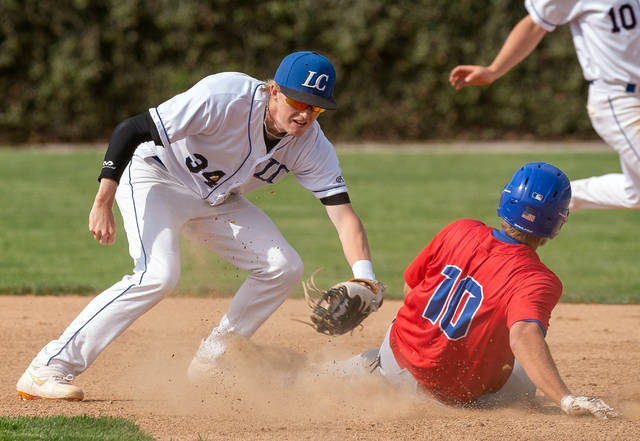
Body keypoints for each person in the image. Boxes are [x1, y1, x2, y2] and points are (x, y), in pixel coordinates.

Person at [16, 51, 382, 401]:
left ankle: (214, 360)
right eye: (298, 102)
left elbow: (343, 215)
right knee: (157, 275)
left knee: (282, 267)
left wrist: (364, 276)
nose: (305, 115)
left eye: (316, 108)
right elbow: (131, 129)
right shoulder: (224, 96)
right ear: (275, 91)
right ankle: (48, 368)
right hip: (155, 177)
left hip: (215, 199)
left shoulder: (311, 146)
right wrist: (102, 200)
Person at [333, 162, 619, 418]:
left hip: (397, 358)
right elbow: (523, 337)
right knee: (523, 372)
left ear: (506, 199)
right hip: (452, 395)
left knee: (409, 335)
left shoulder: (460, 229)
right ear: (557, 221)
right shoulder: (538, 279)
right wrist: (565, 399)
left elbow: (412, 287)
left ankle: (365, 368)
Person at [449, 0, 640, 212]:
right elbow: (534, 24)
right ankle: (546, 200)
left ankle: (555, 197)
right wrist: (494, 70)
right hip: (621, 99)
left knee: (636, 195)